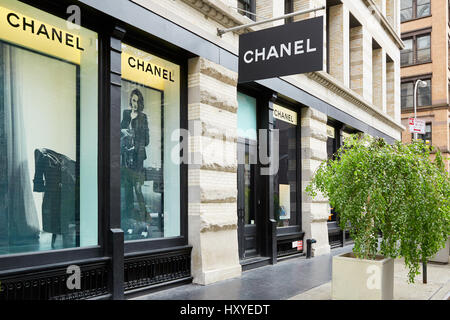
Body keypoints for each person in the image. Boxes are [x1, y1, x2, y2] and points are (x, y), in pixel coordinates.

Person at [121, 88, 150, 228]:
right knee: (127, 191)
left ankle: (146, 219)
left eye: (137, 102)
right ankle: (128, 221)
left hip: (137, 159)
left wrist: (135, 145)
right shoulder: (125, 114)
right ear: (130, 100)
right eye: (133, 100)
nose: (135, 104)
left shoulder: (143, 117)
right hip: (126, 158)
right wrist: (123, 131)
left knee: (137, 189)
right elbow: (119, 132)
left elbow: (146, 140)